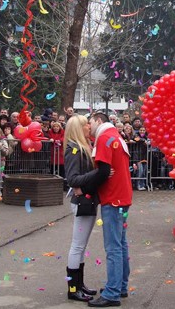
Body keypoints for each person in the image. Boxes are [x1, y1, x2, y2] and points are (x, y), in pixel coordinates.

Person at [64, 115, 111, 302]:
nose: (89, 127)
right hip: (82, 202)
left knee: (80, 247)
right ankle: (73, 288)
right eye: (85, 125)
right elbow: (72, 179)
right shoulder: (74, 149)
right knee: (77, 246)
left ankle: (78, 285)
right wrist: (98, 173)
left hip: (87, 200)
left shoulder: (82, 147)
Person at [87, 112, 132, 307]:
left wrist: (88, 183)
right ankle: (120, 286)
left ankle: (113, 292)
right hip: (123, 197)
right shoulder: (116, 135)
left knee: (113, 247)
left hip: (113, 198)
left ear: (98, 121)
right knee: (120, 244)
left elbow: (104, 171)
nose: (89, 127)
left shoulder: (104, 137)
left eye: (90, 122)